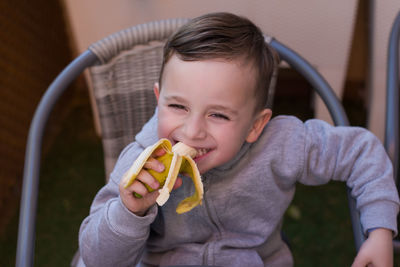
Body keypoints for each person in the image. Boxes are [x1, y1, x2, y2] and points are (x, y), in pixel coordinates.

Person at [78, 12, 399, 267]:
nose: (192, 131)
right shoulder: (140, 165)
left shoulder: (282, 143)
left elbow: (360, 152)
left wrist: (380, 231)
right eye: (177, 106)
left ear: (255, 126)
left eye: (218, 115)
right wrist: (128, 212)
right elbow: (96, 260)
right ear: (158, 100)